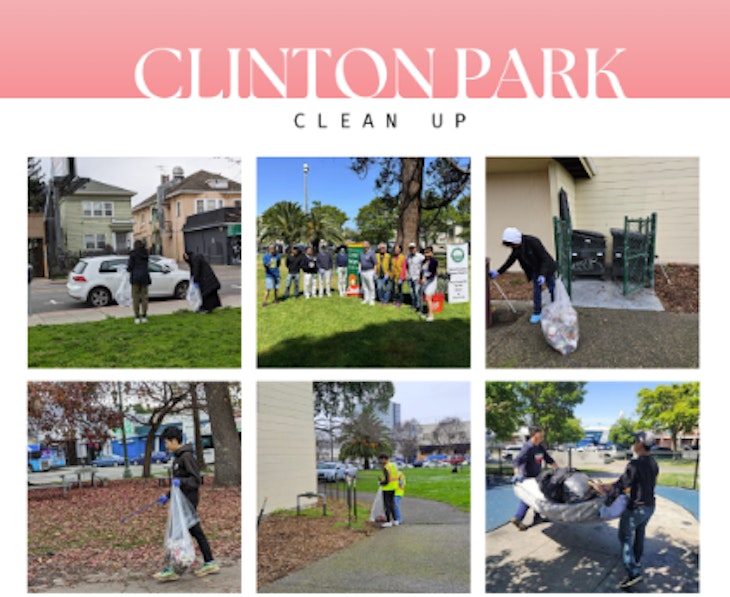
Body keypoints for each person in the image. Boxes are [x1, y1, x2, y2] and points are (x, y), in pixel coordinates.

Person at [592, 431, 659, 590]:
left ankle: (633, 573)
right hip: (650, 506)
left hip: (636, 509)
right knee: (640, 532)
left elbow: (622, 485)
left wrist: (606, 496)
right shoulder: (653, 463)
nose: (633, 443)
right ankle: (636, 560)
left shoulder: (634, 464)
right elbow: (630, 481)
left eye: (635, 440)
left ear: (640, 444)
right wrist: (611, 485)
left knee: (625, 537)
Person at [154, 427, 220, 582]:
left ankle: (173, 568)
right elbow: (179, 486)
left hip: (187, 502)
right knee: (195, 531)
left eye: (167, 442)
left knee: (174, 534)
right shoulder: (178, 458)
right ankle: (209, 562)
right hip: (180, 501)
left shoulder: (186, 457)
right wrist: (167, 496)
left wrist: (180, 481)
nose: (166, 446)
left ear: (175, 440)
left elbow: (195, 480)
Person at [490, 227, 557, 323]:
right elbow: (510, 261)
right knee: (537, 291)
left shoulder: (533, 241)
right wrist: (498, 271)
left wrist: (543, 274)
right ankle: (537, 312)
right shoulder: (516, 248)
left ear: (516, 240)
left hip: (547, 268)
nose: (512, 246)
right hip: (534, 270)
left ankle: (556, 308)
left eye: (513, 244)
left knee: (552, 288)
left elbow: (544, 259)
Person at [511, 425, 558, 531]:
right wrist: (516, 473)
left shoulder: (539, 447)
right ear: (534, 434)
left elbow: (548, 459)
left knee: (538, 496)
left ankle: (537, 517)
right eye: (539, 432)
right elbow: (516, 461)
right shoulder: (528, 447)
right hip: (527, 477)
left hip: (536, 476)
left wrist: (558, 470)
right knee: (529, 498)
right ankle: (518, 518)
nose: (542, 434)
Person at [127, 240, 152, 324]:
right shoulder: (146, 254)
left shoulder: (133, 254)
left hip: (135, 277)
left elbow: (130, 266)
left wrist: (128, 270)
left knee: (136, 298)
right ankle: (144, 316)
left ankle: (137, 317)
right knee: (144, 297)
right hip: (145, 277)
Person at [378, 453, 399, 527]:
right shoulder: (393, 466)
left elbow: (387, 480)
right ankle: (395, 520)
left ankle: (388, 521)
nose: (380, 461)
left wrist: (381, 482)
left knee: (387, 505)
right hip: (393, 487)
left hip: (387, 488)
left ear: (384, 459)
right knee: (392, 504)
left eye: (381, 460)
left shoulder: (386, 467)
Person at [419, 246, 438, 322]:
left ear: (432, 253)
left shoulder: (434, 261)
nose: (427, 254)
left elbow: (433, 273)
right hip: (425, 280)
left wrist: (426, 278)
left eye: (428, 252)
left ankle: (431, 315)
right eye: (425, 253)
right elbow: (422, 271)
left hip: (431, 281)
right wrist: (420, 278)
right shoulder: (423, 261)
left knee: (428, 298)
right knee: (426, 298)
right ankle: (428, 312)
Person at [406, 243, 425, 312]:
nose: (412, 249)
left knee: (417, 293)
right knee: (412, 293)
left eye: (413, 248)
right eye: (410, 248)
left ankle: (419, 306)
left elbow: (424, 267)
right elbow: (407, 266)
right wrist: (407, 274)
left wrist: (422, 277)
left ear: (416, 248)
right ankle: (413, 305)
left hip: (417, 277)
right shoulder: (408, 256)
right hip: (410, 277)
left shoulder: (420, 257)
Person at [358, 241, 376, 305]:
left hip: (370, 271)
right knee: (364, 286)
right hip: (363, 271)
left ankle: (372, 299)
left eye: (366, 245)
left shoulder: (372, 253)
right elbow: (360, 262)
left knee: (371, 286)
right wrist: (359, 269)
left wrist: (374, 272)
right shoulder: (361, 253)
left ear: (369, 246)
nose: (365, 247)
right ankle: (366, 298)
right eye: (364, 246)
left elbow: (375, 264)